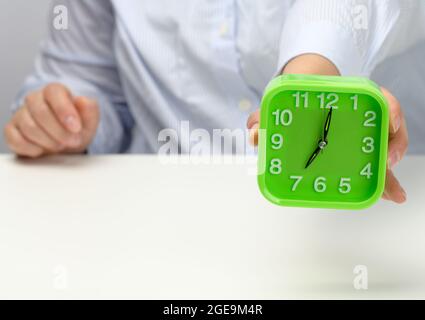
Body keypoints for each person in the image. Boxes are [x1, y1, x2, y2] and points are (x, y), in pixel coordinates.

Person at [4, 0, 422, 204]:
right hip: (159, 221)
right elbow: (86, 81)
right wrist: (65, 121)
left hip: (355, 223)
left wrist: (307, 82)